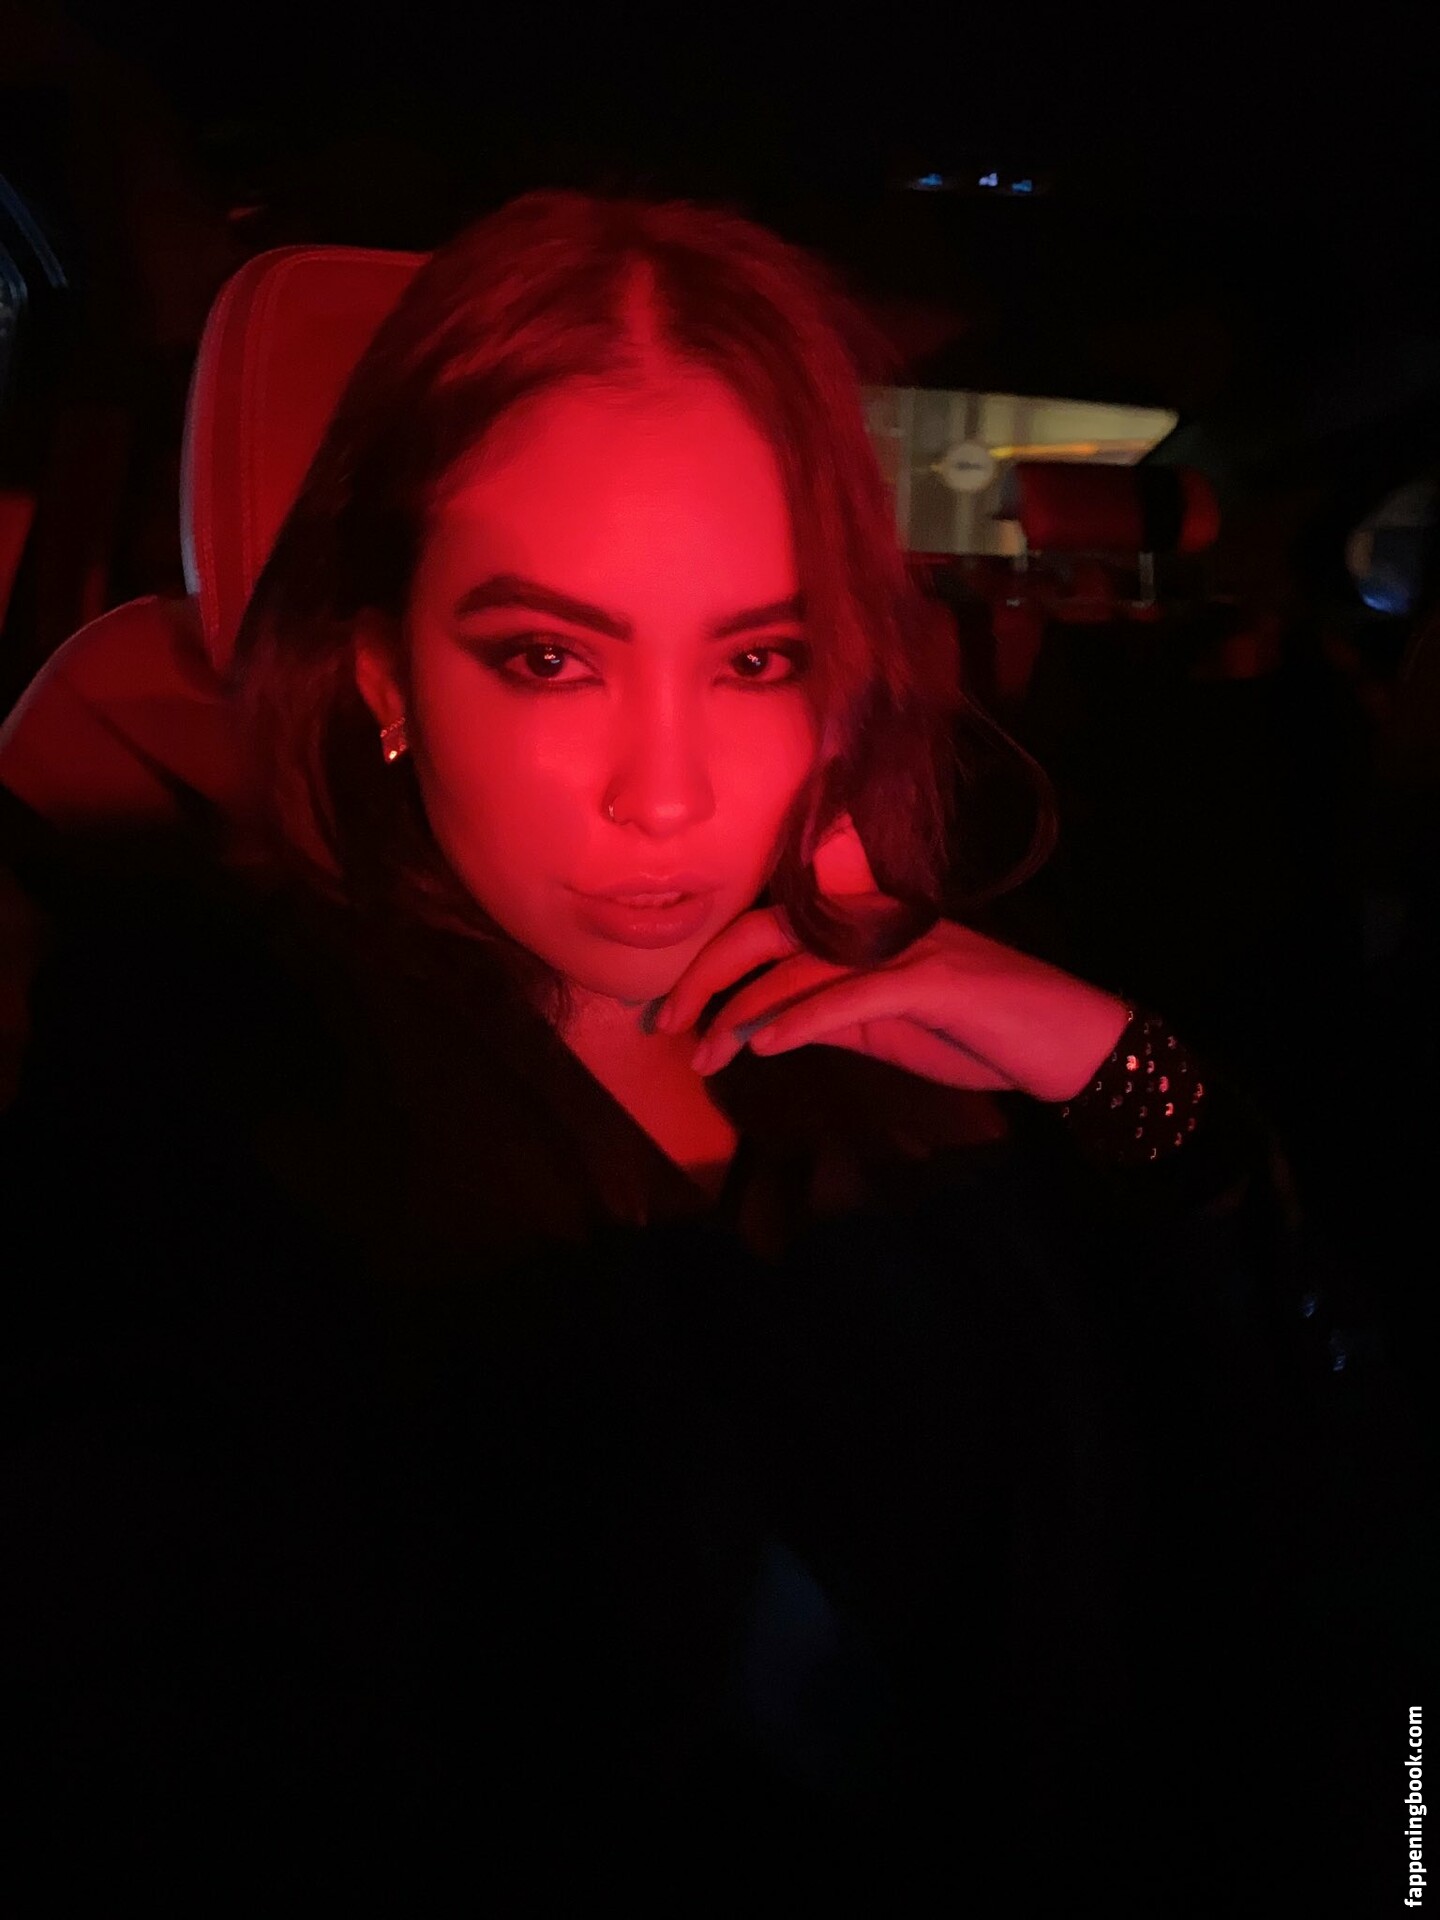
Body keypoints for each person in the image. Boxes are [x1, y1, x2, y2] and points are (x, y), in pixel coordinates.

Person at [0, 192, 1377, 1901]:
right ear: (385, 678)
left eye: (757, 658)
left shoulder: (910, 1025)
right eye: (548, 657)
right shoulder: (215, 1085)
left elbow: (1297, 1516)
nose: (665, 797)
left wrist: (1111, 1061)